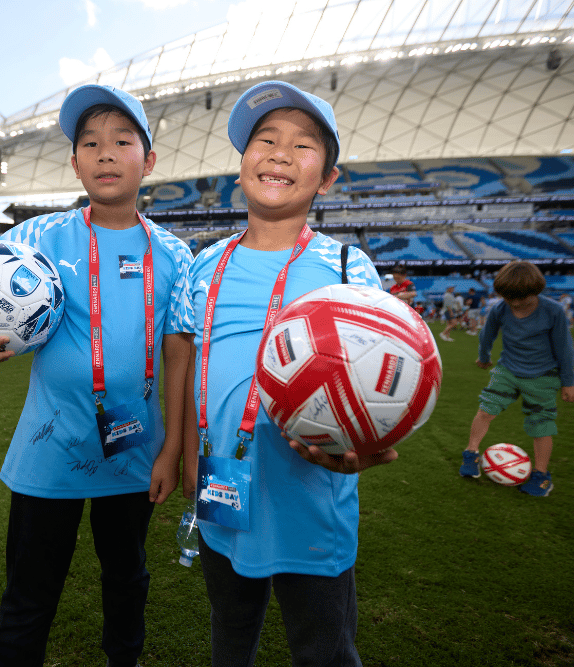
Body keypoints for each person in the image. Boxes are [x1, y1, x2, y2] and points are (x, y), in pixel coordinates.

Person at [0, 84, 194, 667]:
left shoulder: (175, 255)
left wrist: (173, 446)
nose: (104, 153)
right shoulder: (36, 236)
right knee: (30, 591)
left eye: (122, 141)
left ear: (148, 161)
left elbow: (178, 354)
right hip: (50, 448)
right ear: (74, 164)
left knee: (127, 578)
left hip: (136, 452)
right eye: (89, 143)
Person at [182, 80, 394, 667]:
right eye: (265, 139)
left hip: (312, 502)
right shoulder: (203, 266)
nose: (279, 152)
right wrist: (182, 456)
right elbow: (192, 369)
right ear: (242, 164)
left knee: (324, 649)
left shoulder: (350, 267)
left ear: (327, 178)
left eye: (303, 146)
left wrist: (369, 442)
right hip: (222, 494)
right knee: (230, 636)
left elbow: (380, 376)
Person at [459, 260, 574, 497]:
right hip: (507, 371)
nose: (514, 302)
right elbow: (487, 335)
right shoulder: (499, 309)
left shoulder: (553, 311)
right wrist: (483, 357)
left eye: (521, 297)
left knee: (540, 424)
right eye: (508, 297)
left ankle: (541, 475)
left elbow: (565, 348)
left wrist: (569, 382)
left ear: (535, 290)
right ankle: (471, 454)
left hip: (542, 377)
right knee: (485, 410)